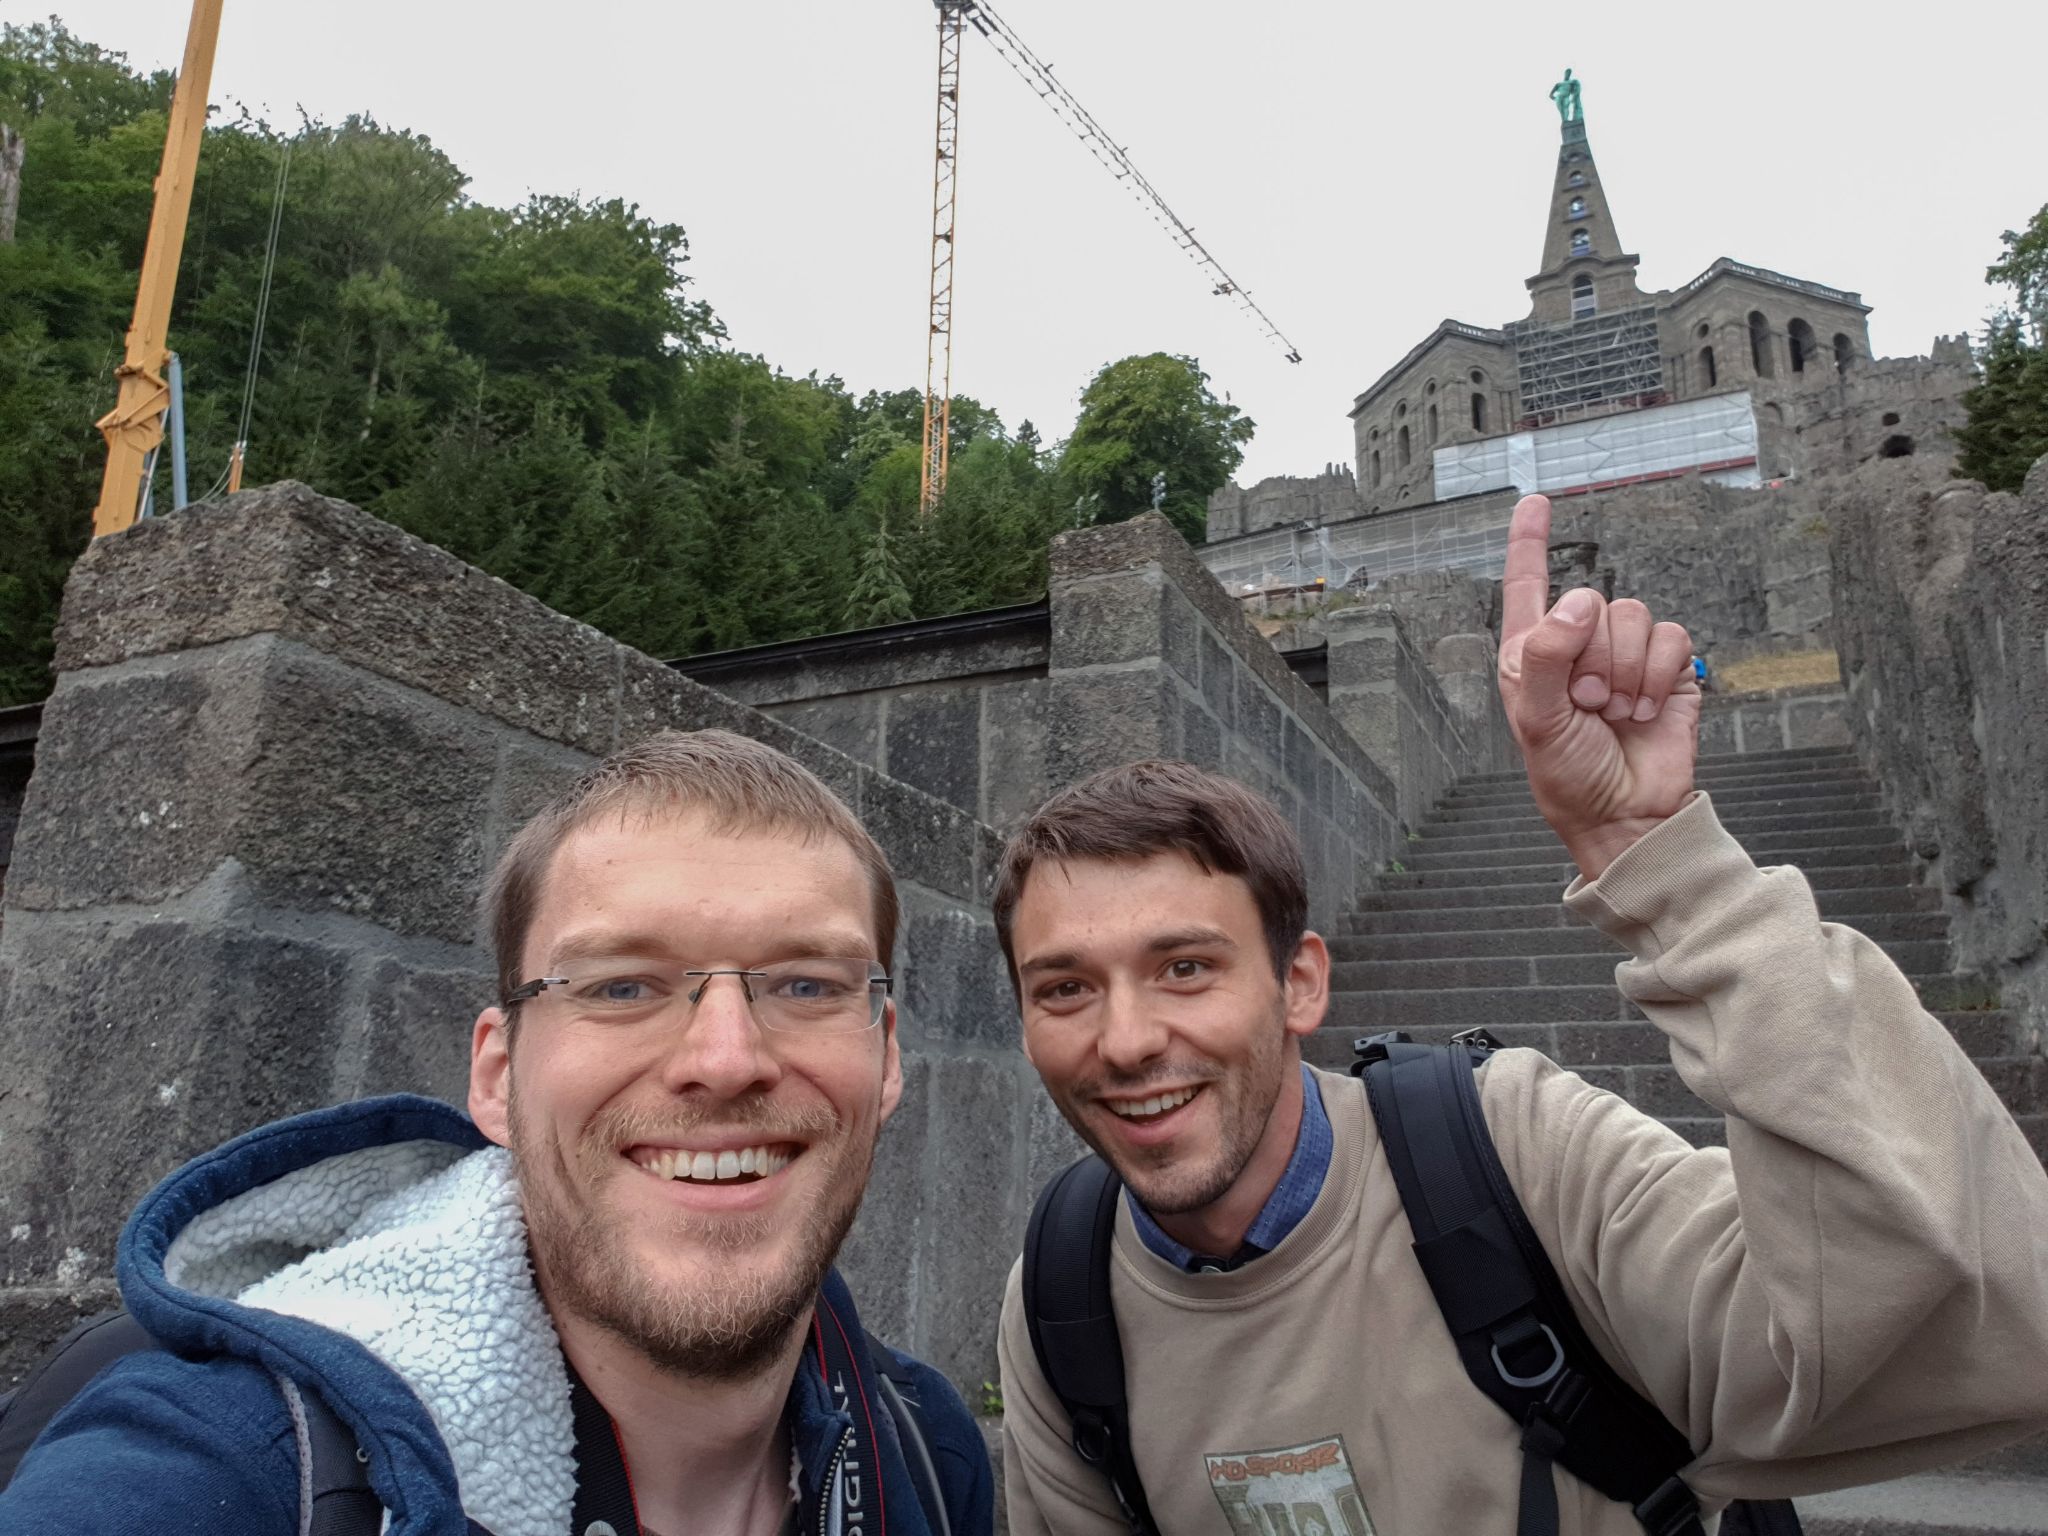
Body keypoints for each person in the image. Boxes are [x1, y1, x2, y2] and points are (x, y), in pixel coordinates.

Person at [991, 494, 2048, 1534]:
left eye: (1183, 968)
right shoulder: (1060, 1294)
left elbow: (1974, 1321)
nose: (1123, 1041)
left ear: (1300, 984)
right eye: (1064, 988)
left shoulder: (1508, 1154)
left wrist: (1665, 863)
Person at [0, 729, 993, 1536]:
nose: (725, 1057)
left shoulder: (927, 1454)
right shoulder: (236, 1467)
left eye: (806, 985)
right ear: (497, 1072)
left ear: (887, 1054)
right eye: (622, 987)